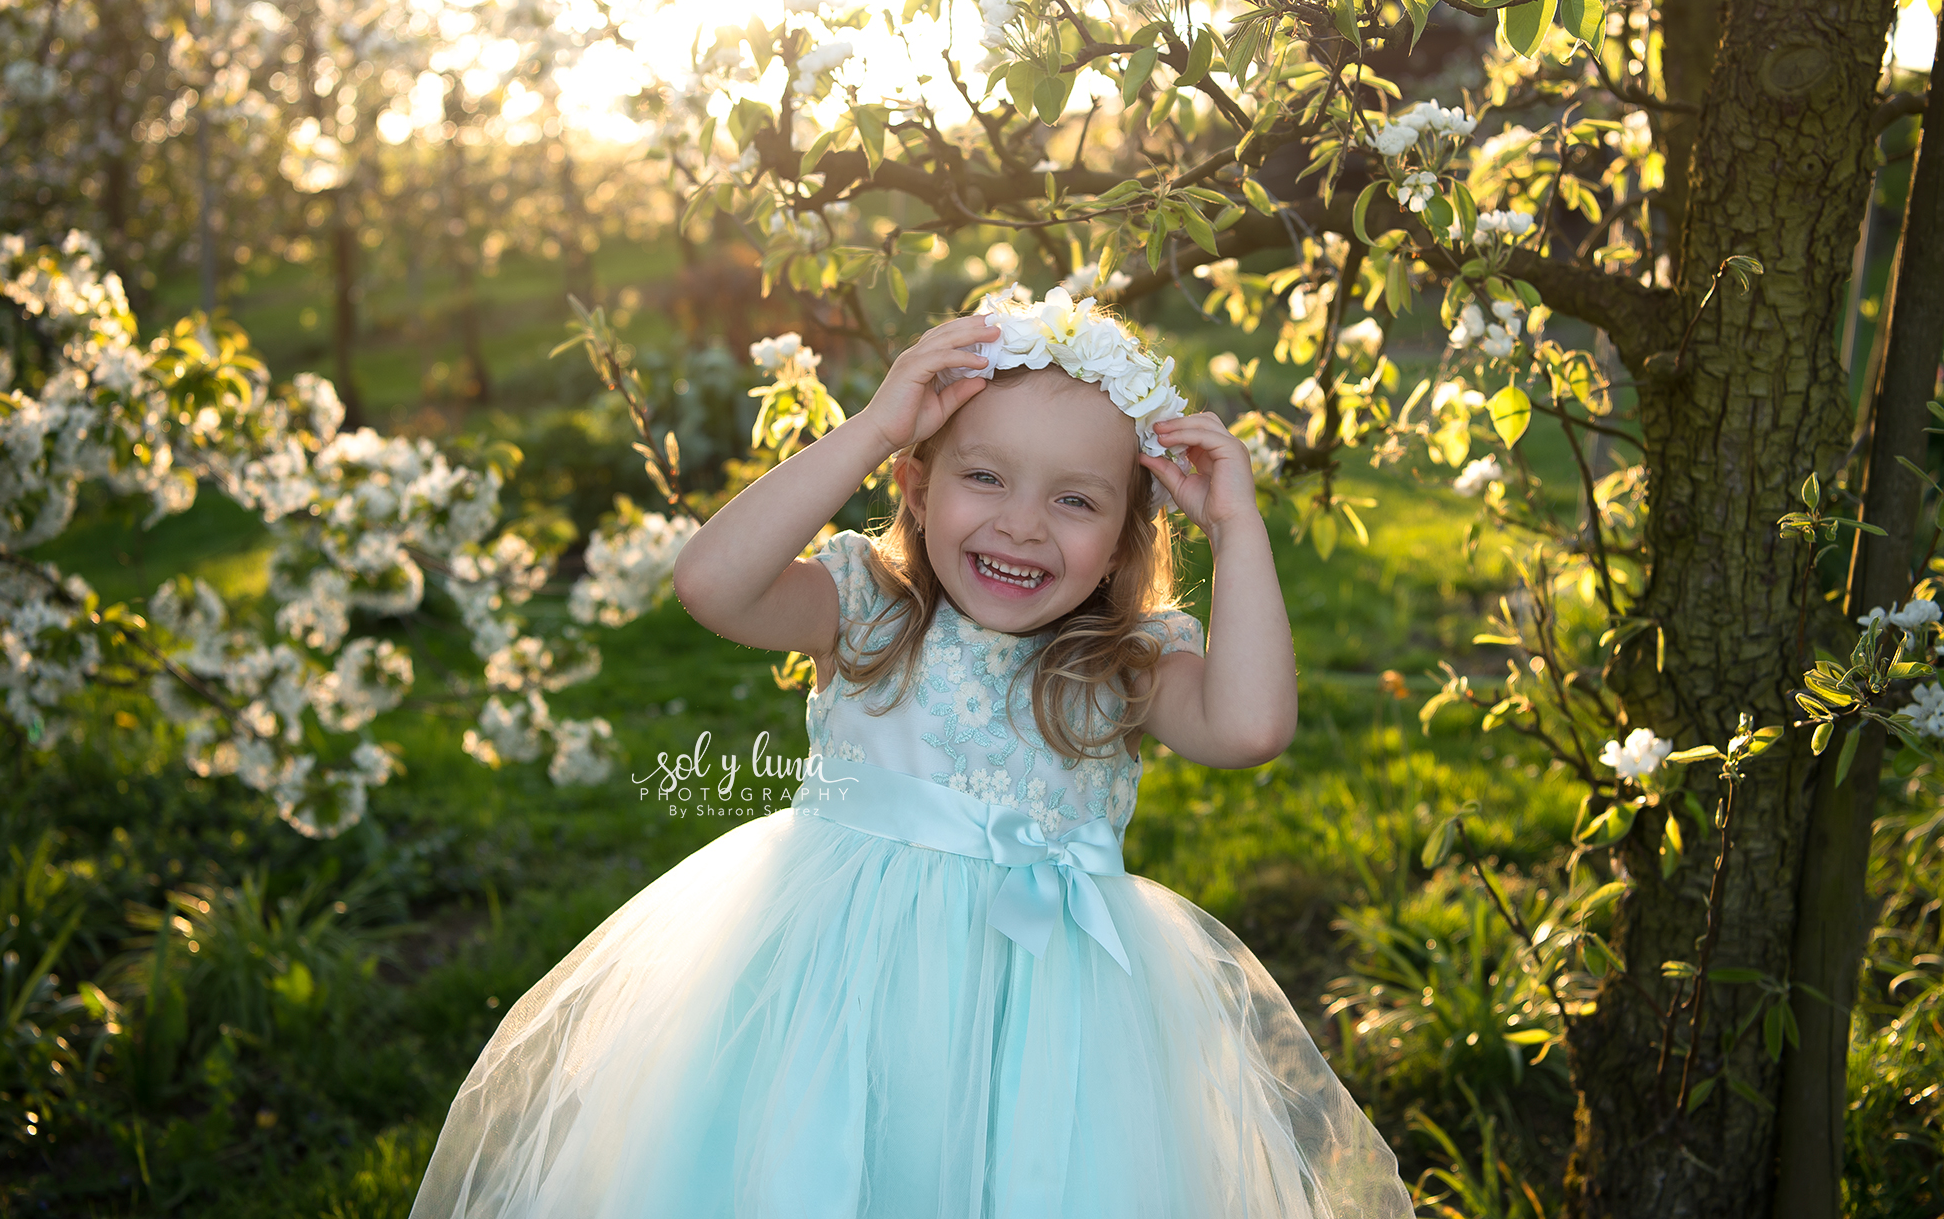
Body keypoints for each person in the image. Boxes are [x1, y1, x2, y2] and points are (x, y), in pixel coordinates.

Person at [409, 286, 1414, 1219]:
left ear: (1119, 540)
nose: (1021, 522)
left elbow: (1248, 727)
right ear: (916, 487)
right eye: (982, 477)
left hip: (1042, 1023)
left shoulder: (1123, 662)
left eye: (1075, 499)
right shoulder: (866, 608)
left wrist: (1238, 529)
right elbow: (712, 583)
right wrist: (876, 422)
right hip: (836, 989)